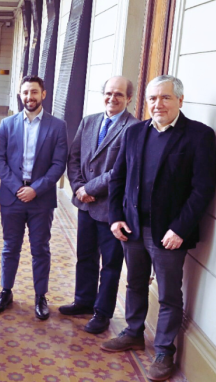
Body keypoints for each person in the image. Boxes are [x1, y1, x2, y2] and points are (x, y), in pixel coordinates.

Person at [103, 75, 216, 381]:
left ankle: (165, 351)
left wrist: (180, 228)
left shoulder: (198, 136)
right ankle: (133, 332)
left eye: (165, 98)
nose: (158, 104)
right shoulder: (135, 133)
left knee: (168, 294)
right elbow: (117, 178)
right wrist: (115, 217)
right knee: (135, 283)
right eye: (153, 98)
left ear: (180, 100)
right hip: (133, 227)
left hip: (169, 233)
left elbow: (202, 189)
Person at [59, 76, 139, 333]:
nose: (112, 98)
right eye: (108, 93)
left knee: (111, 264)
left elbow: (120, 169)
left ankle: (102, 313)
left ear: (129, 98)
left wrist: (89, 189)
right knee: (85, 256)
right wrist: (78, 188)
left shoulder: (133, 128)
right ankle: (83, 300)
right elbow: (74, 158)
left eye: (118, 94)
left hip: (111, 208)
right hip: (85, 206)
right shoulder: (89, 121)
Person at [0, 76, 68, 320]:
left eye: (34, 92)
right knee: (10, 247)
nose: (29, 97)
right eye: (25, 93)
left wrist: (36, 188)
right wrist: (16, 188)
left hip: (41, 198)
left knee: (40, 248)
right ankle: (6, 291)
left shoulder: (58, 126)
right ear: (20, 95)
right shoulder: (7, 124)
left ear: (43, 94)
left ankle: (40, 295)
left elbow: (58, 164)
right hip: (12, 197)